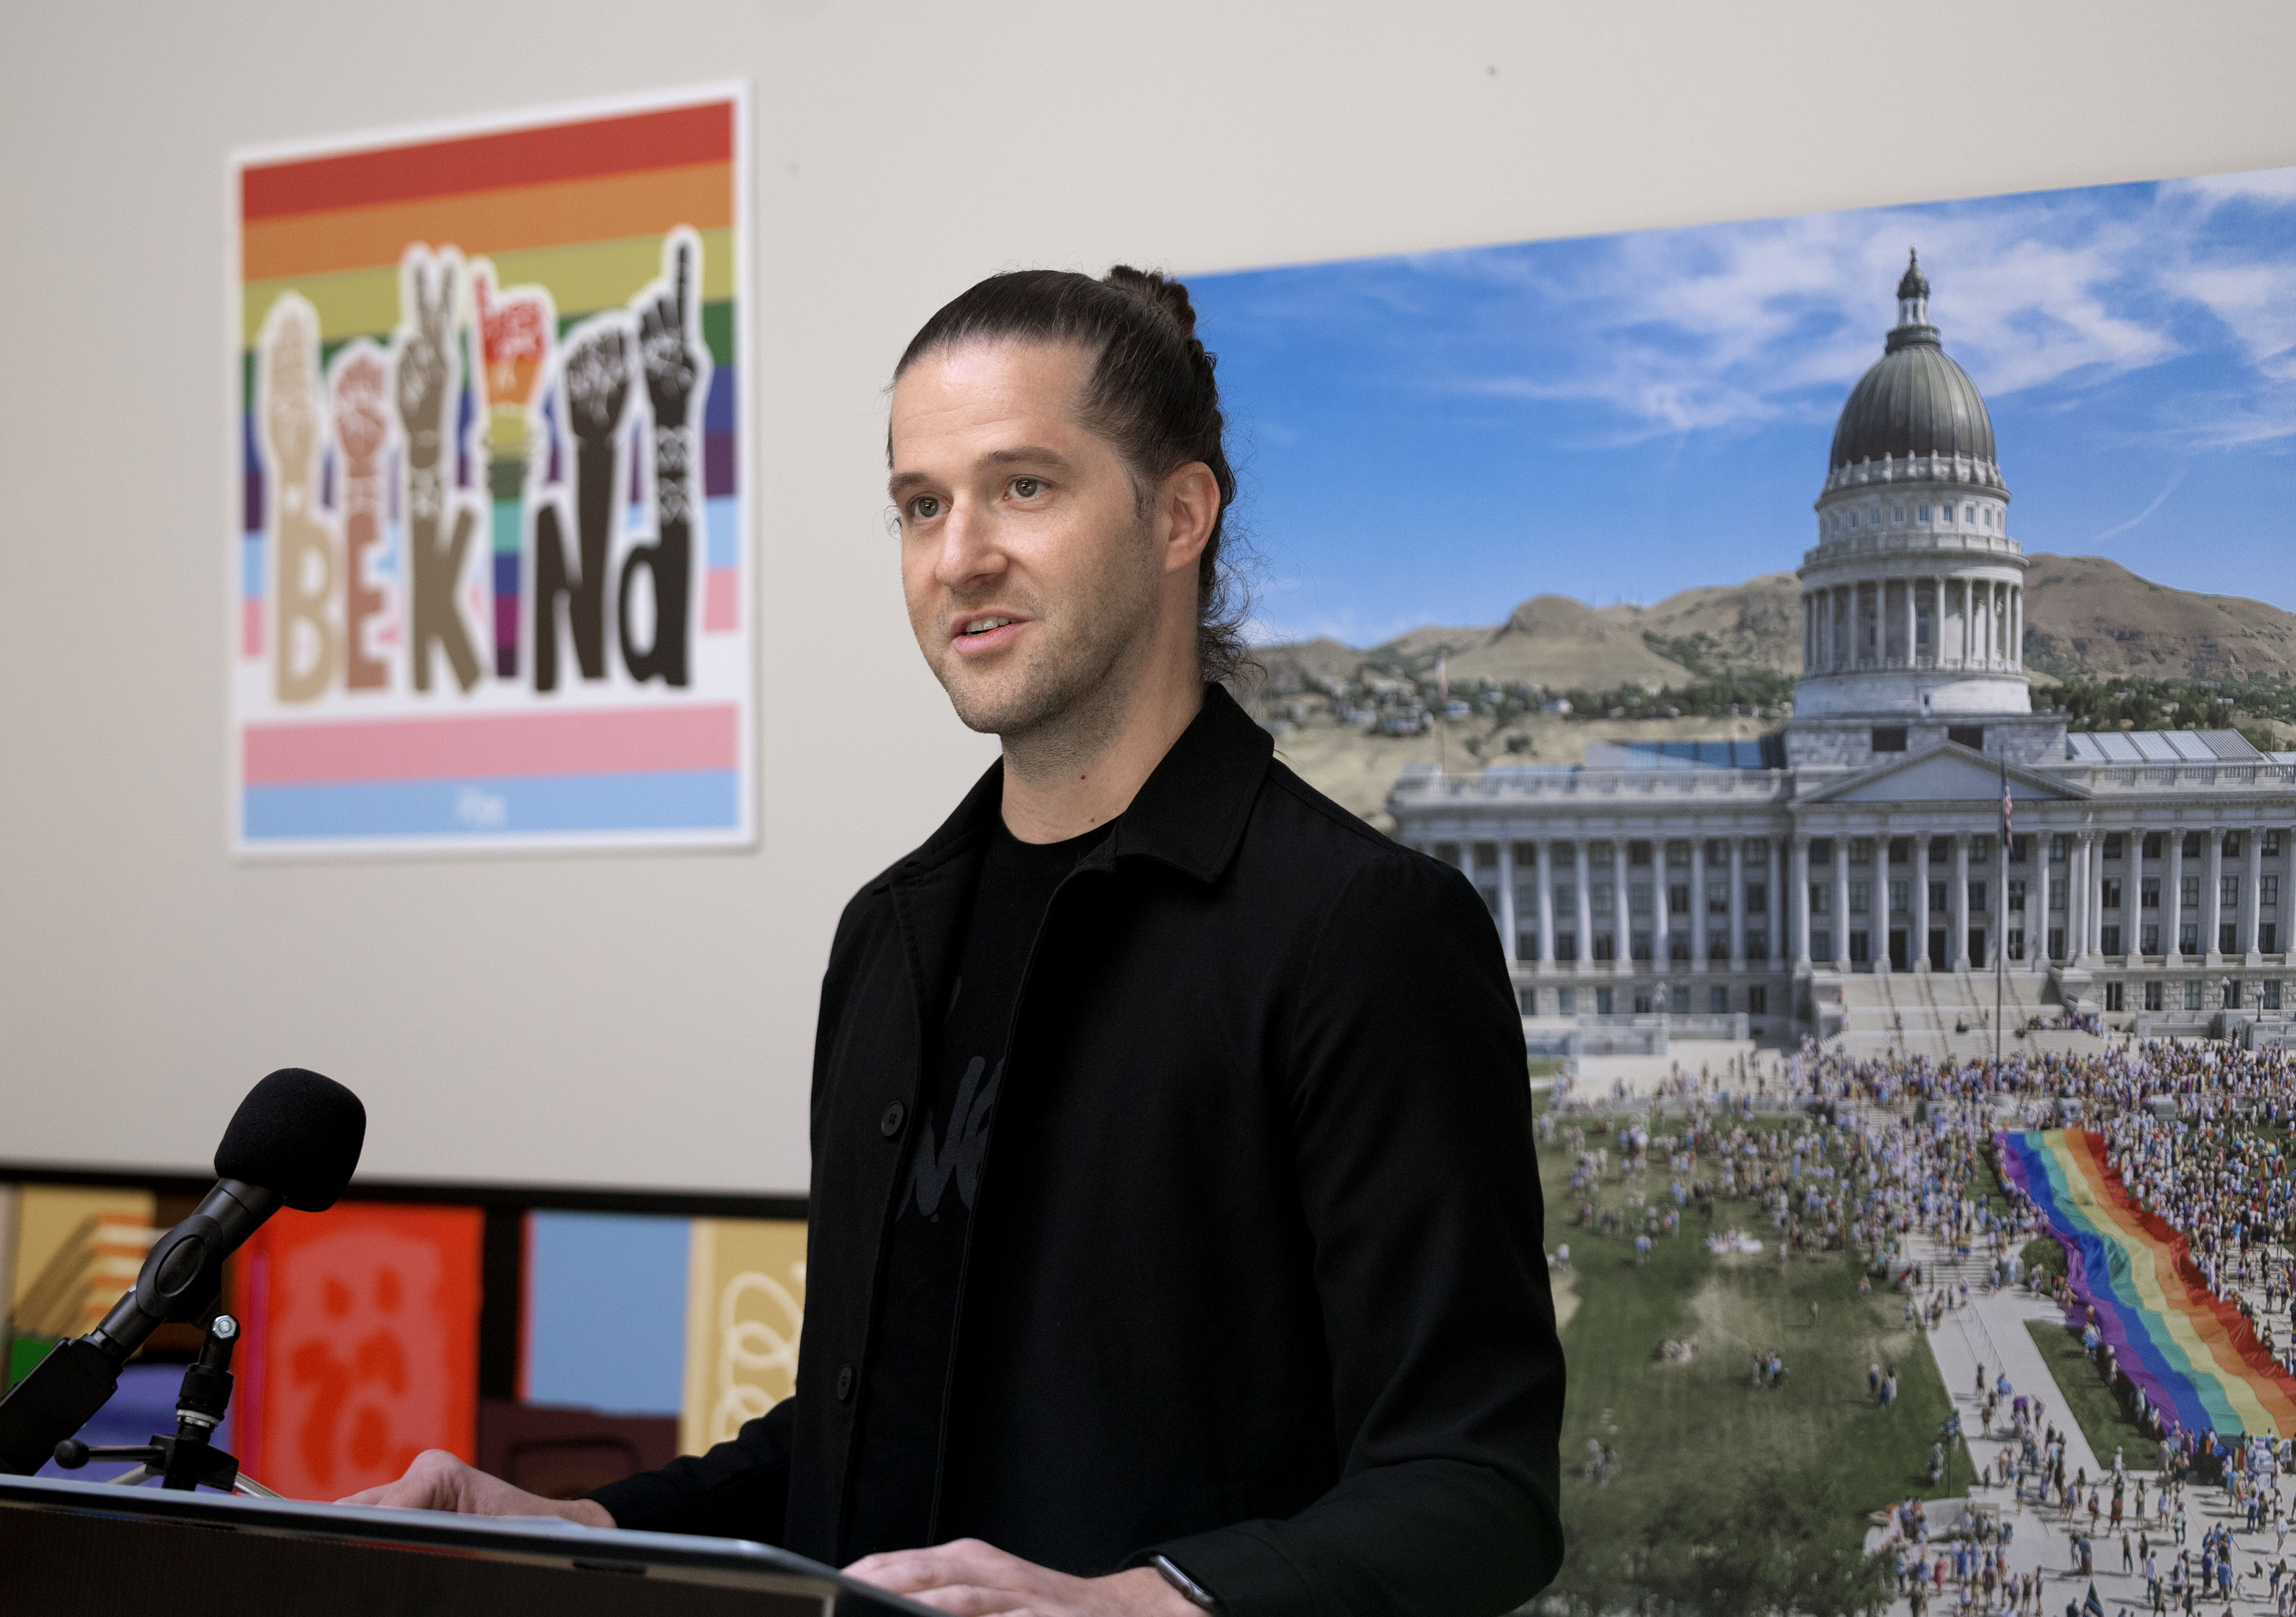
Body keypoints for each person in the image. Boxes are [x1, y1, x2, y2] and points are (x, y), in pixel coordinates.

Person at [333, 267, 1566, 1616]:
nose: (957, 552)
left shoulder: (1359, 931)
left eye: (1022, 487)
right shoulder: (890, 937)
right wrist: (581, 1516)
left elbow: (1474, 1492)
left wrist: (1129, 1603)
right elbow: (867, 1439)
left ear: (1178, 514)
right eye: (921, 503)